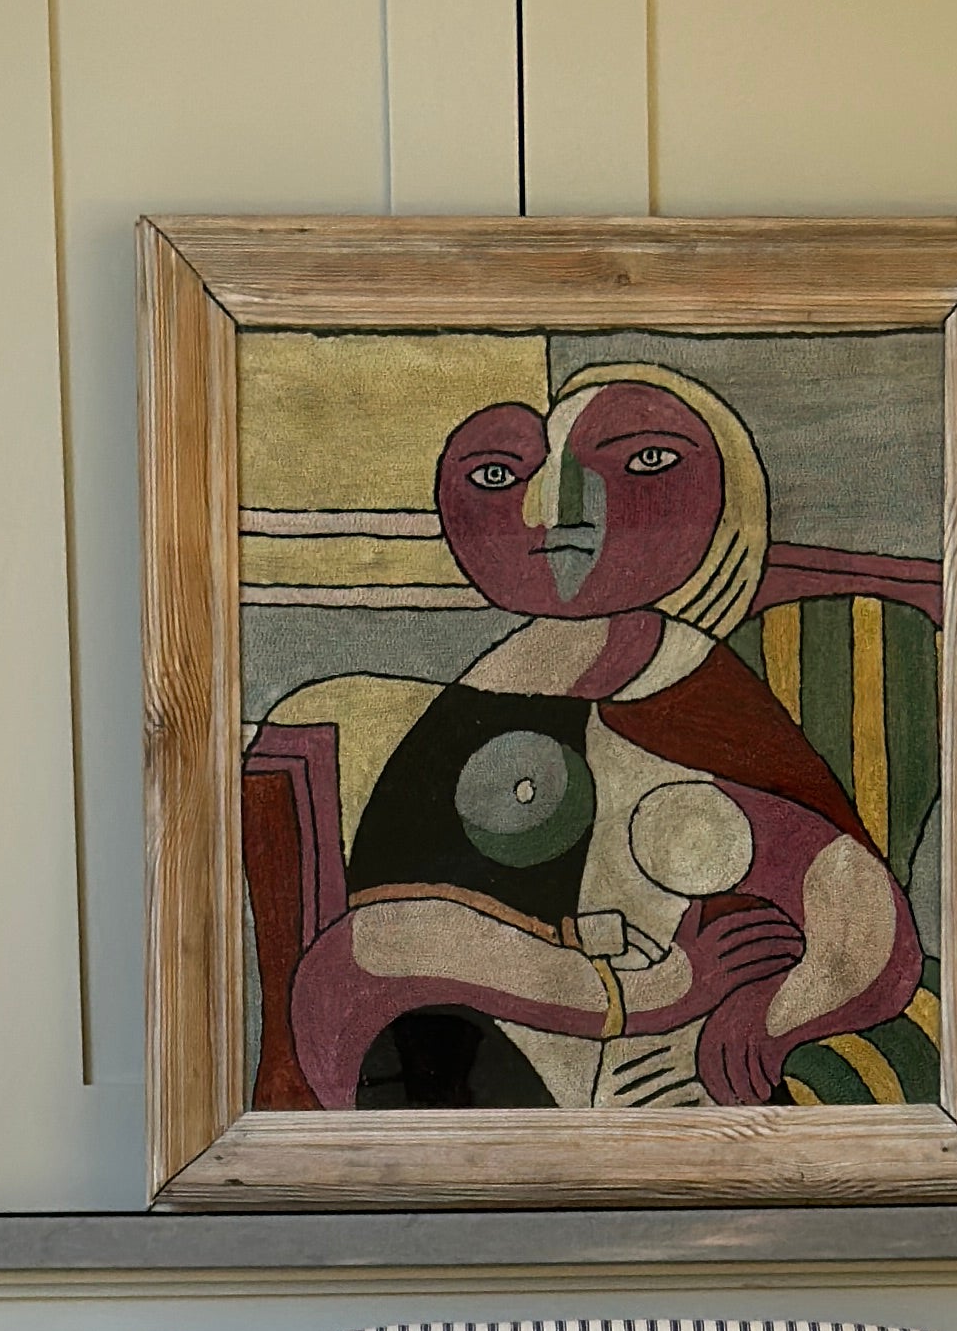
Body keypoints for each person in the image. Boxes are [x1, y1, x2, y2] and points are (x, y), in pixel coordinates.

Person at [278, 366, 923, 1112]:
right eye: (497, 475)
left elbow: (859, 916)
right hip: (482, 1070)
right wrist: (652, 990)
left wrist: (772, 1018)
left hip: (666, 1088)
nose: (560, 514)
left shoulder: (697, 692)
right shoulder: (486, 699)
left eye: (643, 462)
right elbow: (374, 954)